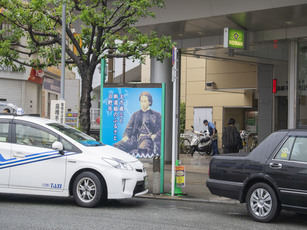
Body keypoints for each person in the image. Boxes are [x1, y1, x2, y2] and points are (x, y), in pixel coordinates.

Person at [113, 91, 161, 157]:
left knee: (142, 149)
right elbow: (129, 128)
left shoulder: (156, 115)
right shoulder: (135, 114)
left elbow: (161, 129)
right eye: (141, 101)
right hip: (135, 139)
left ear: (149, 102)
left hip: (147, 139)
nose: (142, 103)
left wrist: (155, 135)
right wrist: (126, 136)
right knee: (118, 145)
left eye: (145, 101)